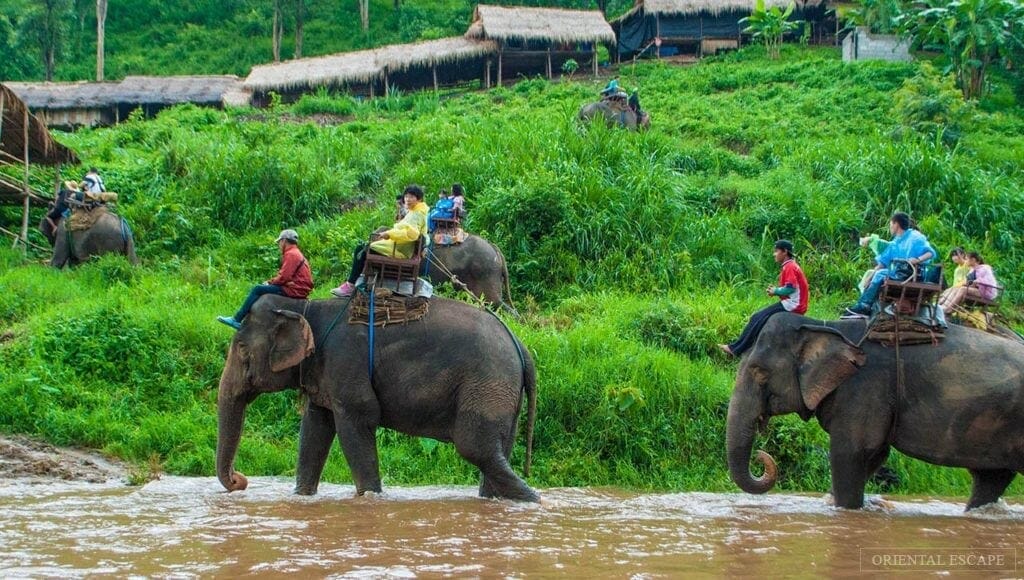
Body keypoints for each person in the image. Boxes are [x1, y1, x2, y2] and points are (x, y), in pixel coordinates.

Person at [332, 184, 429, 297]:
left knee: (361, 249)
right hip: (398, 246)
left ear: (419, 199)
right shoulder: (416, 211)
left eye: (411, 196)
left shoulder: (416, 214)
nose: (407, 199)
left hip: (399, 251)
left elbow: (411, 234)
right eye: (406, 196)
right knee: (365, 245)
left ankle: (350, 285)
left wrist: (389, 233)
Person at [719, 240, 809, 358]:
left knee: (757, 317)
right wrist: (777, 291)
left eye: (776, 251)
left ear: (785, 252)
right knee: (760, 317)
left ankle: (735, 349)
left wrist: (776, 291)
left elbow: (790, 288)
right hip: (794, 303)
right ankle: (738, 347)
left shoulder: (790, 267)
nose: (774, 254)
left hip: (793, 304)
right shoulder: (791, 265)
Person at [217, 229, 313, 330]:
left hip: (295, 290)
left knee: (257, 289)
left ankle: (236, 319)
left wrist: (269, 282)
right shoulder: (296, 253)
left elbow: (284, 277)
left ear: (284, 241)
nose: (279, 245)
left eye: (279, 242)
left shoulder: (291, 254)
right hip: (297, 287)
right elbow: (286, 277)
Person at [845, 212, 936, 316]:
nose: (890, 228)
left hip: (913, 274)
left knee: (881, 274)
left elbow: (930, 253)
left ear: (896, 224)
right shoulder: (895, 242)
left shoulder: (914, 236)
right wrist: (870, 277)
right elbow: (883, 263)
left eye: (890, 225)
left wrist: (917, 259)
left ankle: (865, 305)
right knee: (875, 274)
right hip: (899, 273)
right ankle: (864, 304)